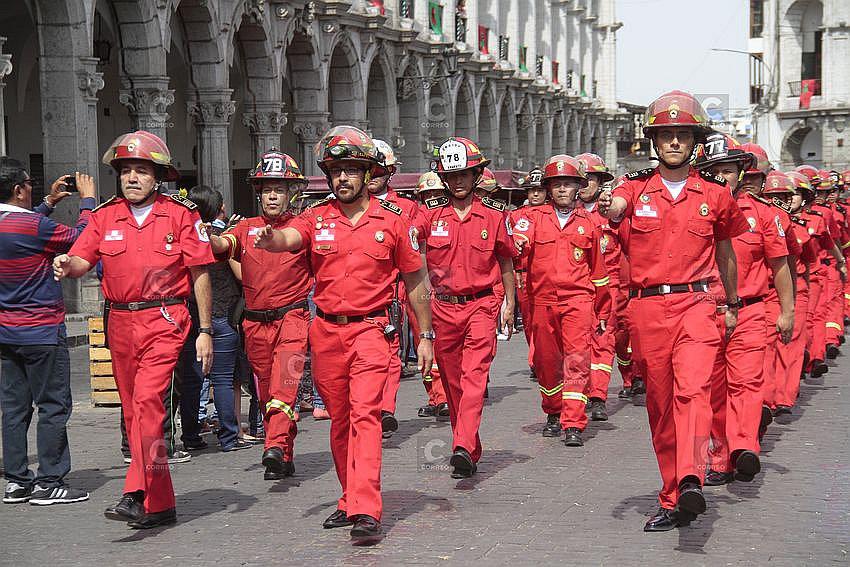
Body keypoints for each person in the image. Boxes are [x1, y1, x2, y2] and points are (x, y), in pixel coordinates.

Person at [253, 126, 434, 541]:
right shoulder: (316, 217)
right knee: (339, 421)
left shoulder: (392, 222)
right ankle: (349, 498)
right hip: (326, 333)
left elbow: (416, 279)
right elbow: (288, 236)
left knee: (365, 417)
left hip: (372, 330)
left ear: (369, 174)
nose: (343, 179)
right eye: (336, 171)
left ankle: (367, 510)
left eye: (352, 170)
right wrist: (272, 238)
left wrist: (426, 336)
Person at [598, 90, 749, 532]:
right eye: (666, 135)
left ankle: (691, 477)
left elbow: (726, 253)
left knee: (695, 392)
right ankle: (672, 496)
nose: (674, 143)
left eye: (683, 135)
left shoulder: (717, 195)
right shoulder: (634, 187)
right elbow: (617, 205)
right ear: (654, 142)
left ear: (695, 140)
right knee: (662, 406)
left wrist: (733, 302)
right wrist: (613, 205)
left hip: (698, 304)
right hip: (647, 309)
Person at [53, 130, 214, 529]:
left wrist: (206, 330)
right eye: (126, 171)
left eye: (141, 171)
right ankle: (161, 502)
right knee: (135, 415)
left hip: (165, 319)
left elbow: (200, 273)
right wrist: (65, 265)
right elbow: (81, 258)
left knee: (146, 403)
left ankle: (134, 491)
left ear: (157, 176)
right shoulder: (105, 216)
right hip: (121, 322)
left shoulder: (180, 214)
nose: (132, 178)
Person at [691, 134, 793, 487]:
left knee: (747, 384)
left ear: (740, 173)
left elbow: (780, 266)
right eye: (715, 170)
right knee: (713, 390)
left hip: (751, 312)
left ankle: (743, 448)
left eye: (729, 170)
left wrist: (787, 311)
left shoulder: (764, 216)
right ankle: (719, 459)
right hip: (705, 312)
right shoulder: (693, 211)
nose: (723, 176)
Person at [208, 149, 313, 480]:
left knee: (285, 387)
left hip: (293, 320)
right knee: (268, 394)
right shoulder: (244, 229)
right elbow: (220, 247)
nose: (271, 195)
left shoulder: (303, 227)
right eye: (267, 188)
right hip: (255, 324)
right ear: (258, 192)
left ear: (290, 193)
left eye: (279, 189)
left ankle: (274, 444)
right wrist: (198, 232)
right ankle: (283, 453)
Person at [420, 137, 517, 478]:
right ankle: (470, 446)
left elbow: (506, 261)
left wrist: (509, 303)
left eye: (465, 173)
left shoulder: (494, 216)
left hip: (481, 306)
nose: (458, 180)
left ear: (477, 174)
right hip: (443, 309)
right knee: (452, 383)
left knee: (474, 375)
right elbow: (405, 249)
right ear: (443, 178)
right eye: (451, 175)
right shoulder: (428, 217)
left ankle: (460, 445)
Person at [1, 159, 94, 505]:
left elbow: (23, 224)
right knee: (53, 406)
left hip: (7, 331)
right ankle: (50, 480)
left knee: (14, 409)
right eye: (29, 183)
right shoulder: (34, 227)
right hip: (41, 329)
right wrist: (87, 201)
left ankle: (16, 481)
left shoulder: (24, 223)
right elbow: (82, 240)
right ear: (18, 189)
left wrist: (50, 203)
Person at [512, 155, 611, 446]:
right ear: (548, 189)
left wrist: (602, 311)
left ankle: (573, 422)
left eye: (568, 184)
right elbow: (520, 240)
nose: (562, 190)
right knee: (545, 362)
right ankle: (553, 411)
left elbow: (599, 272)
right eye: (556, 185)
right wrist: (518, 243)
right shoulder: (533, 218)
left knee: (578, 361)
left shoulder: (590, 224)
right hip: (542, 301)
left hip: (578, 300)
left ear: (578, 187)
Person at [180, 186, 252, 452]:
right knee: (222, 379)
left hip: (190, 316)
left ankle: (190, 436)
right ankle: (229, 437)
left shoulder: (183, 236)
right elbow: (243, 276)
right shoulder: (220, 237)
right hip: (221, 316)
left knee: (192, 379)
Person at [368, 139, 429, 437]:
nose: (375, 175)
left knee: (392, 353)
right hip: (354, 295)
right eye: (371, 169)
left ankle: (384, 409)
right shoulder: (340, 207)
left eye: (381, 170)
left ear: (390, 172)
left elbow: (417, 244)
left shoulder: (406, 208)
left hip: (396, 290)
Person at [576, 152, 625, 420]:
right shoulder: (565, 214)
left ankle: (597, 396)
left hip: (609, 288)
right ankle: (576, 394)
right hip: (575, 290)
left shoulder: (612, 213)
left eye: (589, 180)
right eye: (579, 180)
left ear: (600, 182)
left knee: (603, 341)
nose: (584, 185)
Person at [412, 172, 449, 419]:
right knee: (423, 343)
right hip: (417, 288)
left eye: (437, 194)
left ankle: (446, 395)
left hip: (444, 290)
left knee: (443, 346)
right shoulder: (413, 216)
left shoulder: (450, 216)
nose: (432, 199)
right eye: (428, 195)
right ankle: (435, 396)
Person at [510, 168, 546, 382]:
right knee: (530, 321)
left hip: (546, 275)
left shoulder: (554, 213)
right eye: (531, 190)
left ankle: (541, 358)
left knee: (544, 320)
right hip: (522, 274)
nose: (534, 195)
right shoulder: (515, 216)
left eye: (539, 190)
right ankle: (536, 357)